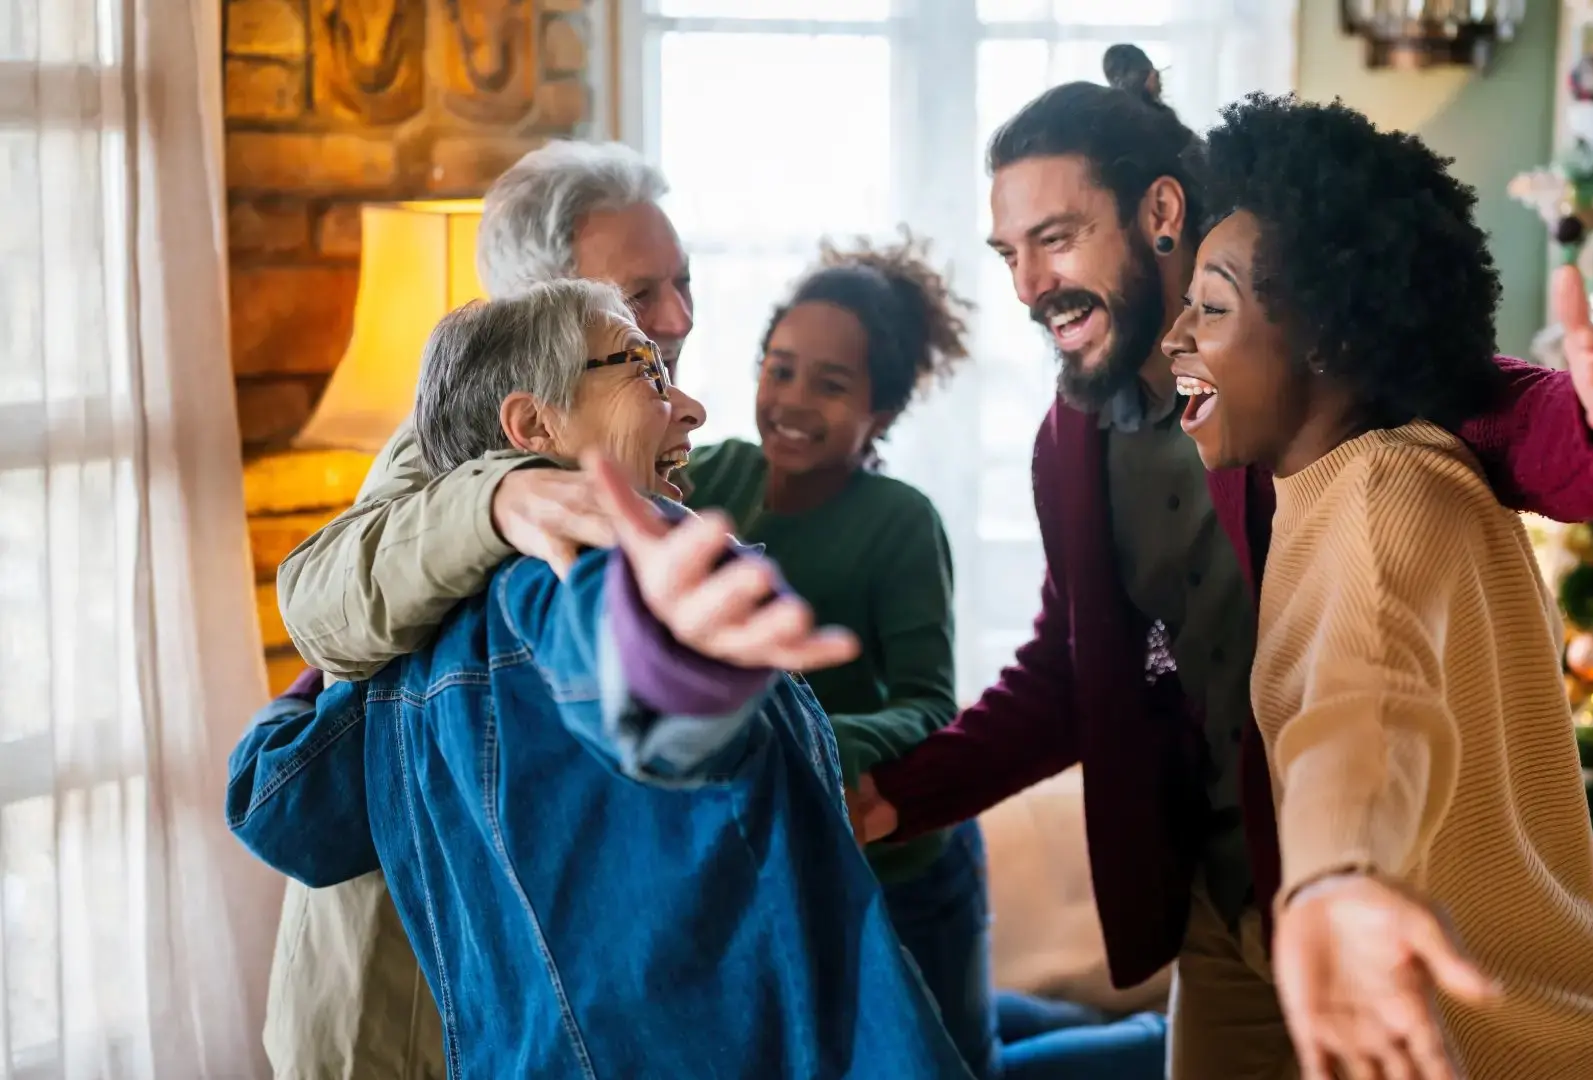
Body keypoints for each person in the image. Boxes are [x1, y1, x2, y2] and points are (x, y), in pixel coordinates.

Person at [844, 59, 1593, 1079]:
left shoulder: (1363, 434)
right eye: (1008, 253)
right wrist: (902, 792)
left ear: (1160, 212)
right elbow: (1076, 668)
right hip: (1229, 905)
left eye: (1055, 238)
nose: (1027, 285)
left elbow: (1367, 693)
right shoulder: (1077, 439)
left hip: (1387, 921)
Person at [229, 279, 973, 1078]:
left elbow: (277, 806)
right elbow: (608, 658)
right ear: (533, 425)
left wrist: (325, 682)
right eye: (646, 369)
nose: (690, 407)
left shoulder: (417, 650)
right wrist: (677, 657)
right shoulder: (548, 584)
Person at [1162, 92, 1593, 1080]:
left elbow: (1367, 701)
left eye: (1212, 307)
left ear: (1327, 340)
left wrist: (1340, 871)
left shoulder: (1381, 496)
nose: (1178, 334)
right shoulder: (1334, 480)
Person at [682, 233, 1166, 1079]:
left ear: (883, 410)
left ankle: (1159, 1042)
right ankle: (1051, 1018)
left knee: (954, 1071)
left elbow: (928, 705)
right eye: (780, 367)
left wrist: (829, 744)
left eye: (831, 385)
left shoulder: (899, 523)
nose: (793, 399)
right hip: (795, 867)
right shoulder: (709, 480)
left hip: (910, 867)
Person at [267, 140, 697, 1080]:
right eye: (641, 291)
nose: (678, 317)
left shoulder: (641, 426)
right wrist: (500, 497)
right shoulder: (440, 451)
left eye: (681, 282)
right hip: (400, 1002)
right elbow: (317, 597)